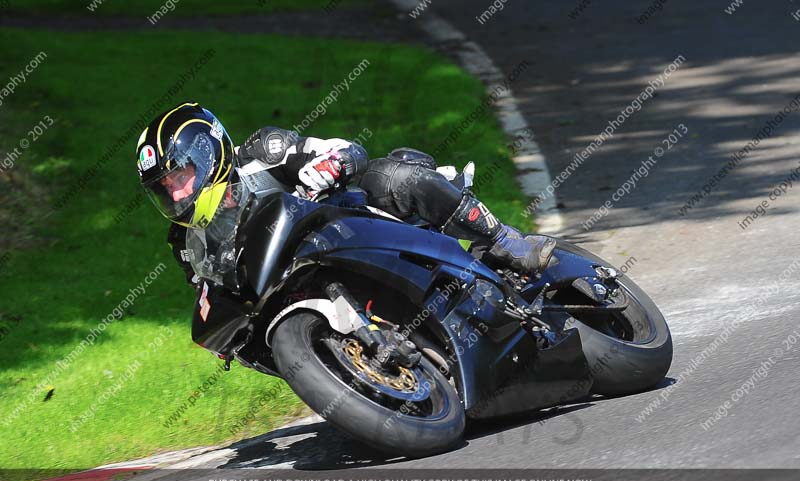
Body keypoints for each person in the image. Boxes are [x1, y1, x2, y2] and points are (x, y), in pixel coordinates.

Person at [135, 102, 555, 286]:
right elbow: (212, 297)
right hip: (307, 281)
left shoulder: (262, 154)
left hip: (363, 227)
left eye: (179, 175)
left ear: (207, 153)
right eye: (164, 188)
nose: (176, 192)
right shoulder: (186, 244)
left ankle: (505, 241)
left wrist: (328, 165)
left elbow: (346, 149)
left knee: (396, 177)